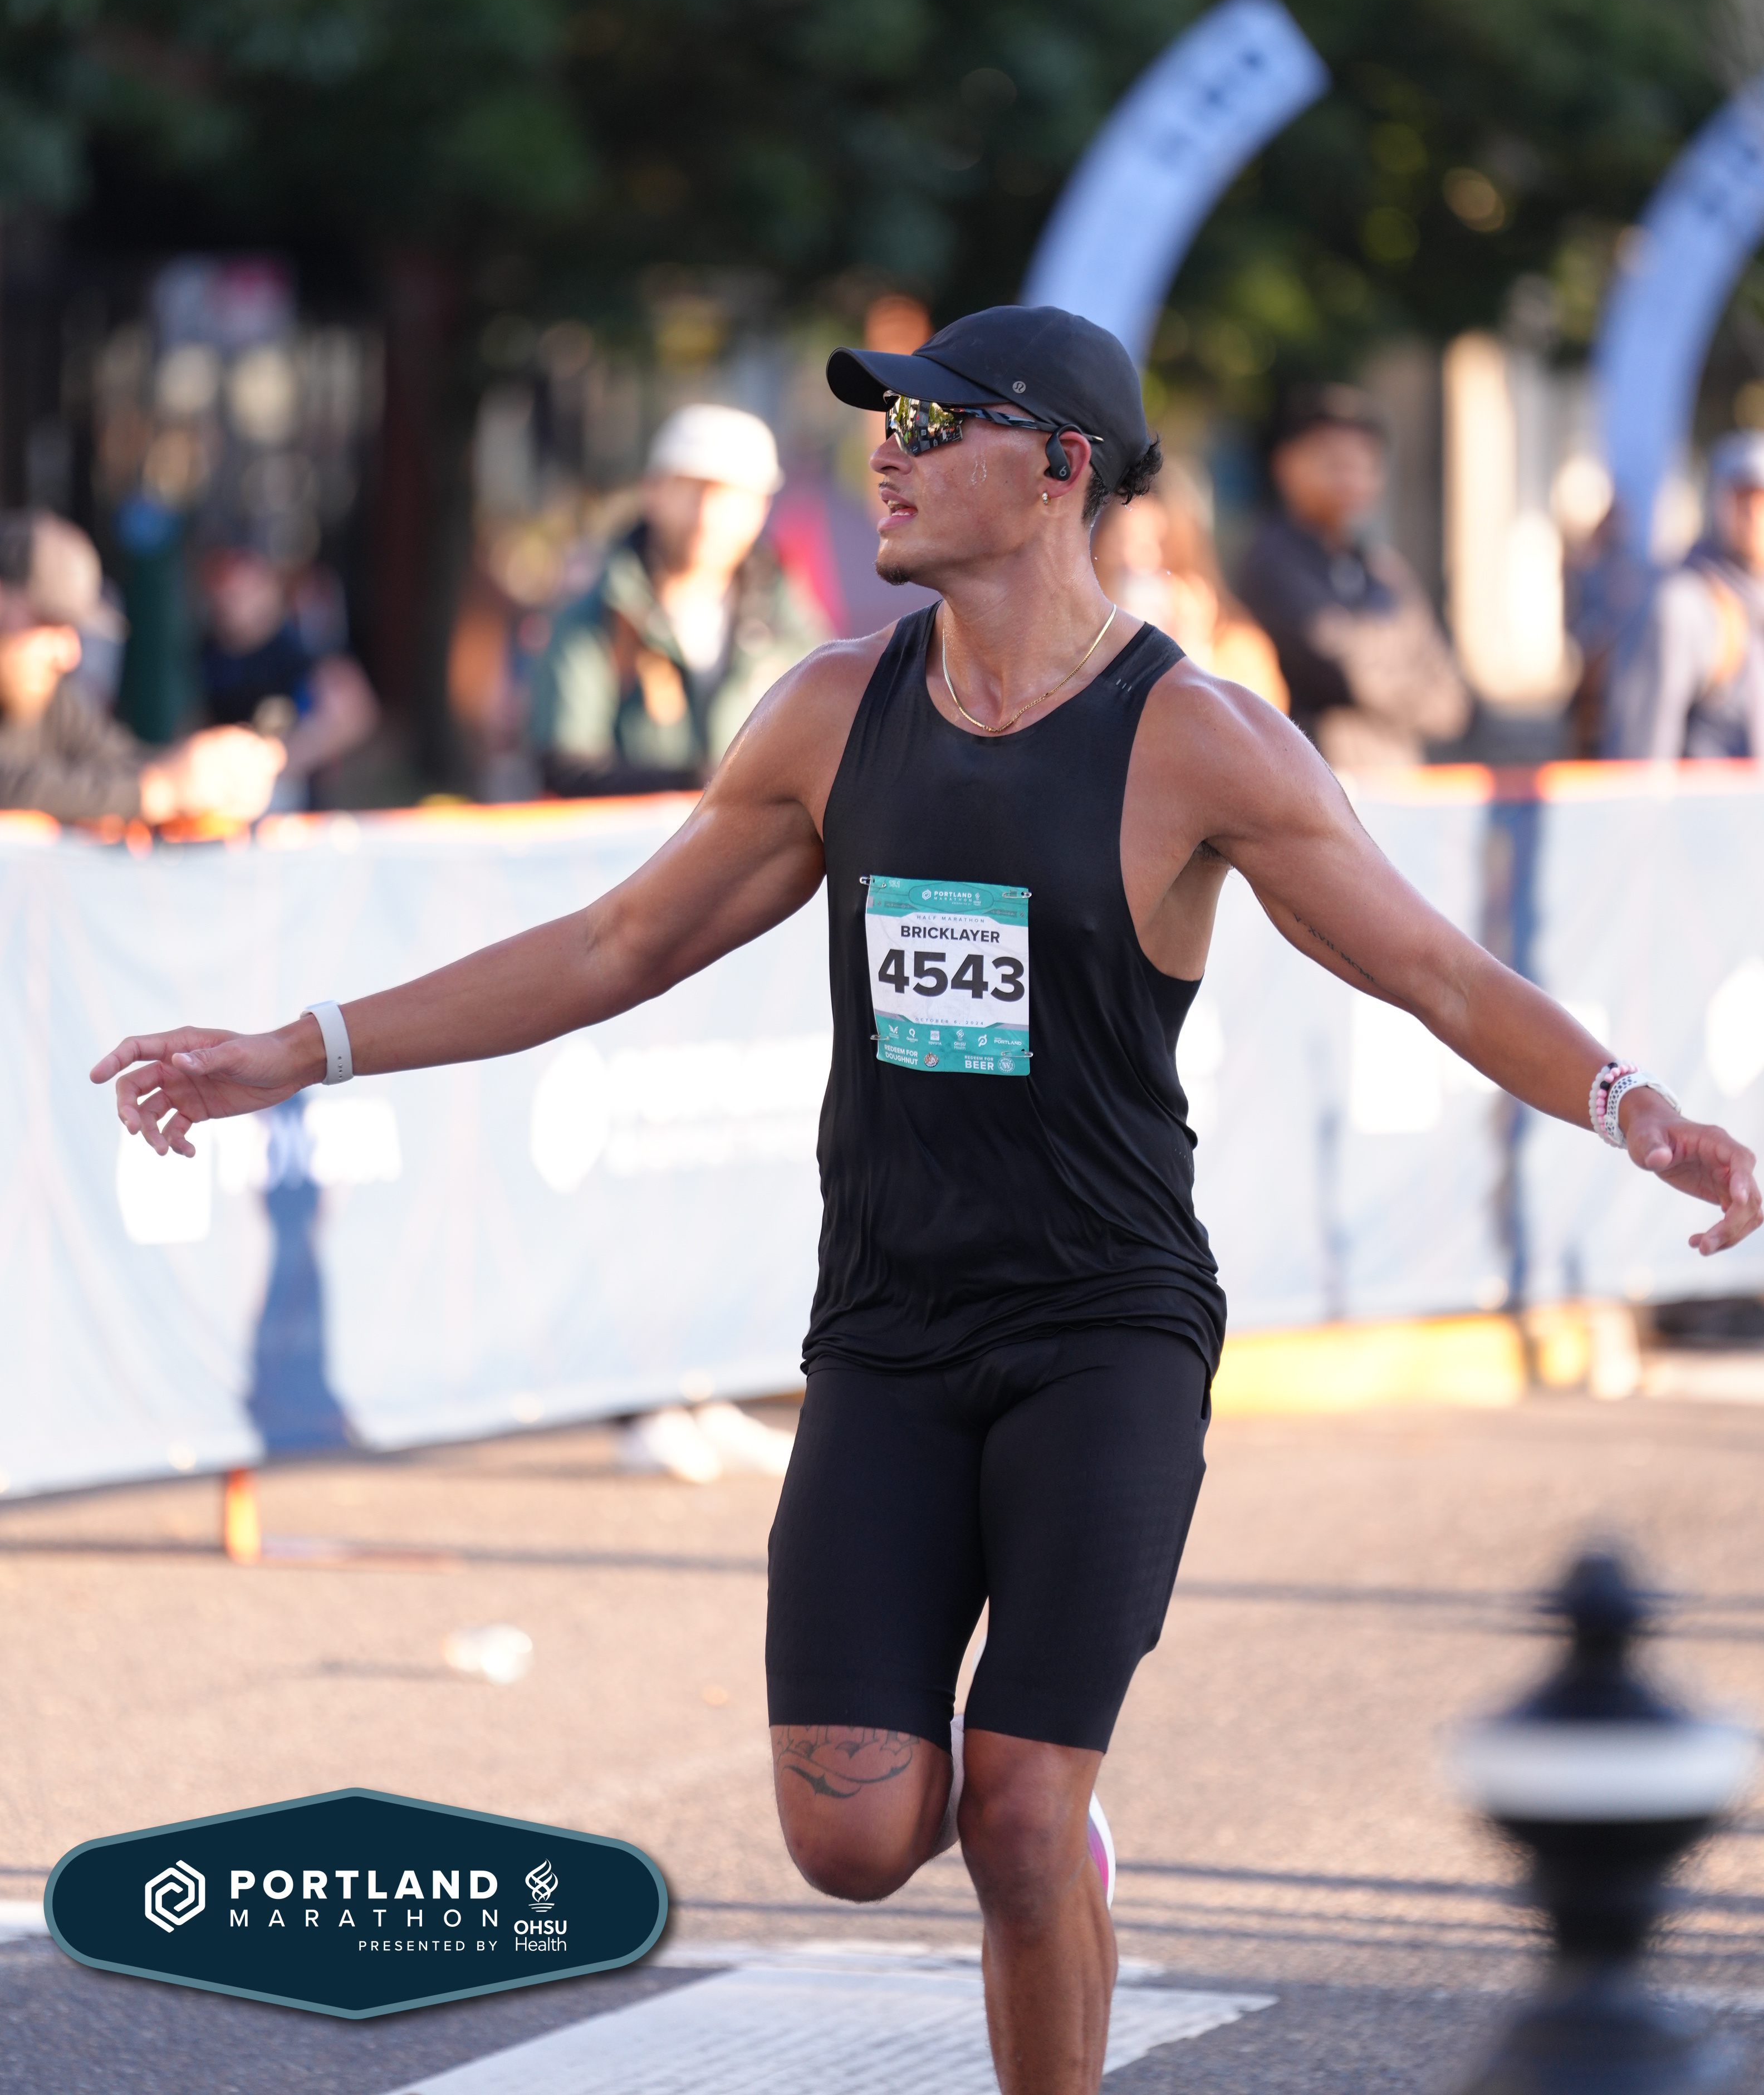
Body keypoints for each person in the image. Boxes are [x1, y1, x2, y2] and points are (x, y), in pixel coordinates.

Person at [93, 305, 1758, 2095]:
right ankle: (1062, 1861)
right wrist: (301, 1048)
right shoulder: (833, 711)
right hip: (887, 1327)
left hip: (1106, 1325)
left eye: (936, 425)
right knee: (854, 1835)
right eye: (886, 421)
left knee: (1016, 1815)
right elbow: (613, 942)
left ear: (1058, 473)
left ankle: (1053, 1868)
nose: (887, 453)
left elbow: (1431, 967)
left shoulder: (1198, 739)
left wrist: (1633, 1105)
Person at [529, 403, 830, 795]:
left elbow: (830, 745)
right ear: (651, 491)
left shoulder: (790, 624)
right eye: (690, 489)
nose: (707, 514)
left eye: (729, 495)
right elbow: (567, 769)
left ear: (761, 508)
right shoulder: (595, 618)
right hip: (637, 837)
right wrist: (703, 788)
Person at [1237, 383, 1471, 772]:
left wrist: (1405, 689)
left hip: (1399, 777)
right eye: (1334, 461)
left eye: (1366, 463)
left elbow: (1452, 694)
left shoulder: (1384, 570)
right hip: (1313, 778)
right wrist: (1412, 687)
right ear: (1285, 465)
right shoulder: (1272, 562)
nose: (1351, 476)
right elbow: (1345, 670)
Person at [0, 511, 282, 827]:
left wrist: (208, 772)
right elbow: (12, 787)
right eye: (50, 623)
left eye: (73, 629)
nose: (69, 655)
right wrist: (158, 791)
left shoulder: (49, 700)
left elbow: (121, 763)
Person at [1603, 431, 1764, 759]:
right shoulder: (1685, 607)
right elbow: (1641, 760)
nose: (1753, 514)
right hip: (1710, 792)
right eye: (1741, 498)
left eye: (1762, 500)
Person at [198, 540, 380, 809]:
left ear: (269, 586)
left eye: (244, 587)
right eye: (226, 590)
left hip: (293, 804)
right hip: (223, 802)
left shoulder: (301, 644)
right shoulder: (208, 656)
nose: (233, 596)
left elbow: (357, 712)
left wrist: (281, 760)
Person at [1092, 464, 1287, 711]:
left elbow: (1260, 728)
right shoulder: (1077, 654)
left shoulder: (1239, 652)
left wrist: (1192, 659)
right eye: (1119, 543)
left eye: (1158, 544)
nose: (1137, 564)